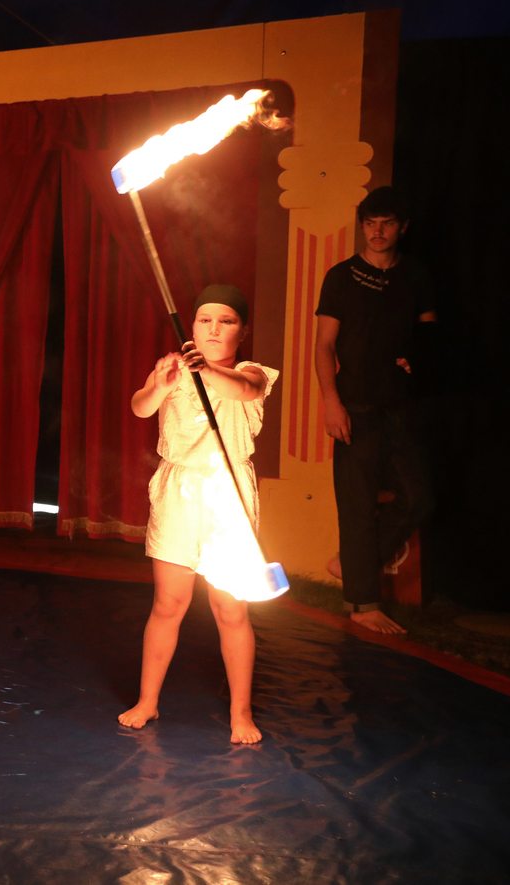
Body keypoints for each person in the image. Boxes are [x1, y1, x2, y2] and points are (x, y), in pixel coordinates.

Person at [118, 285, 279, 745]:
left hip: (228, 494)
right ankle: (148, 701)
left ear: (242, 331)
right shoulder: (173, 369)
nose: (213, 329)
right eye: (204, 320)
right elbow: (140, 407)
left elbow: (243, 389)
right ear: (191, 326)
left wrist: (204, 369)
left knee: (230, 608)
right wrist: (160, 384)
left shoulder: (251, 372)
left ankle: (241, 713)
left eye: (226, 321)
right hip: (178, 492)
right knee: (168, 604)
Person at [314, 186, 435, 636]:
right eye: (370, 223)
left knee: (419, 497)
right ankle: (362, 604)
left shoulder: (416, 275)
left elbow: (430, 335)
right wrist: (331, 403)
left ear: (402, 227)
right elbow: (324, 346)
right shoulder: (341, 277)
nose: (377, 231)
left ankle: (351, 565)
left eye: (387, 223)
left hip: (402, 404)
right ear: (362, 226)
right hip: (355, 404)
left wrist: (418, 359)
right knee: (357, 504)